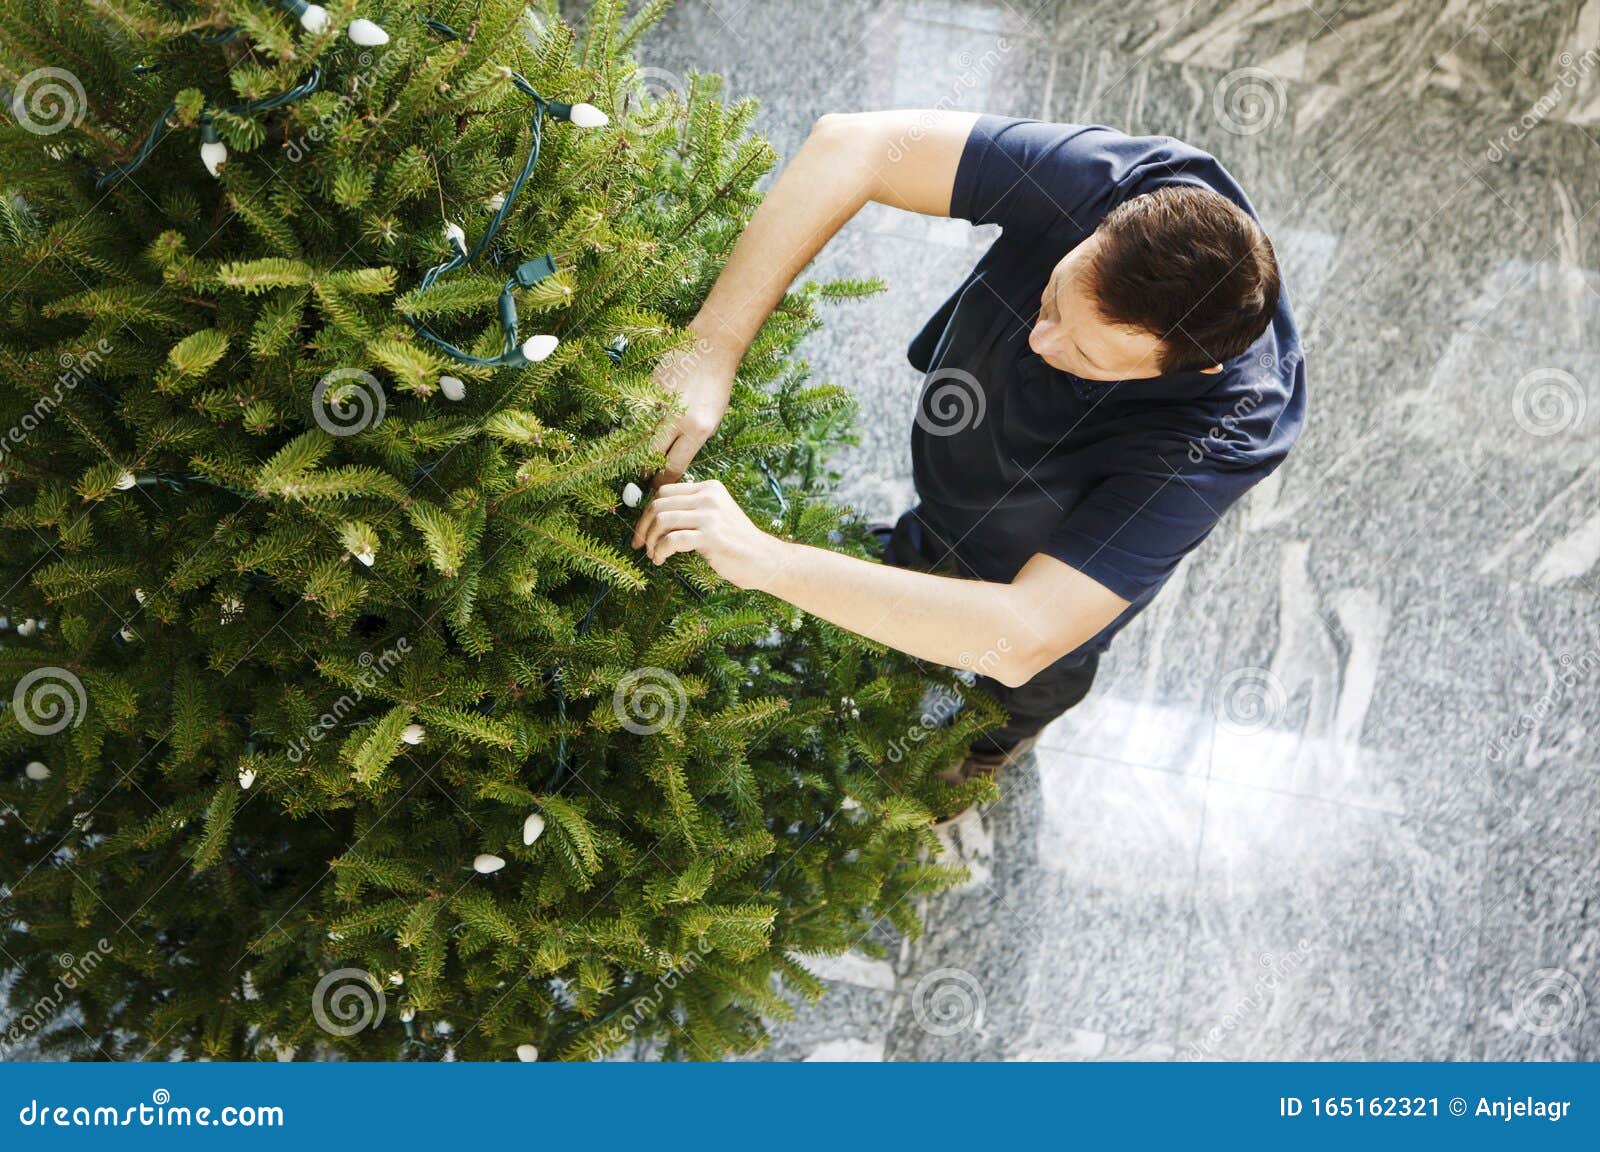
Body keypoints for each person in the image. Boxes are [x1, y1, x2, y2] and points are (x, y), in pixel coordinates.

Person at [630, 109, 1305, 793]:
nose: (1042, 344)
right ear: (1102, 225)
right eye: (1052, 302)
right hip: (964, 463)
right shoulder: (1113, 184)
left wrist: (768, 561)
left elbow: (1024, 634)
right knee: (938, 534)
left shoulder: (1227, 428)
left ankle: (992, 746)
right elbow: (853, 145)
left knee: (1034, 678)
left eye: (1086, 353)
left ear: (1184, 371)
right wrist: (710, 347)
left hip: (1042, 574)